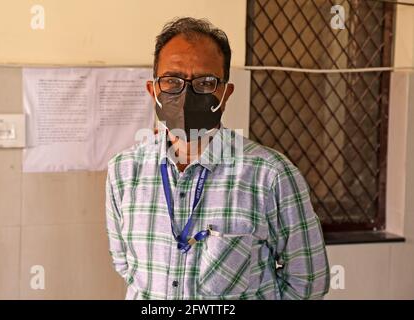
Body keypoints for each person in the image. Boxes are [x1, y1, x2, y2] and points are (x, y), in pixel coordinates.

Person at [105, 17, 330, 300]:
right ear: (153, 91)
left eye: (205, 82)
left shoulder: (270, 175)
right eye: (172, 80)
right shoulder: (124, 171)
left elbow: (307, 282)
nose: (187, 93)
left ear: (225, 93)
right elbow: (126, 266)